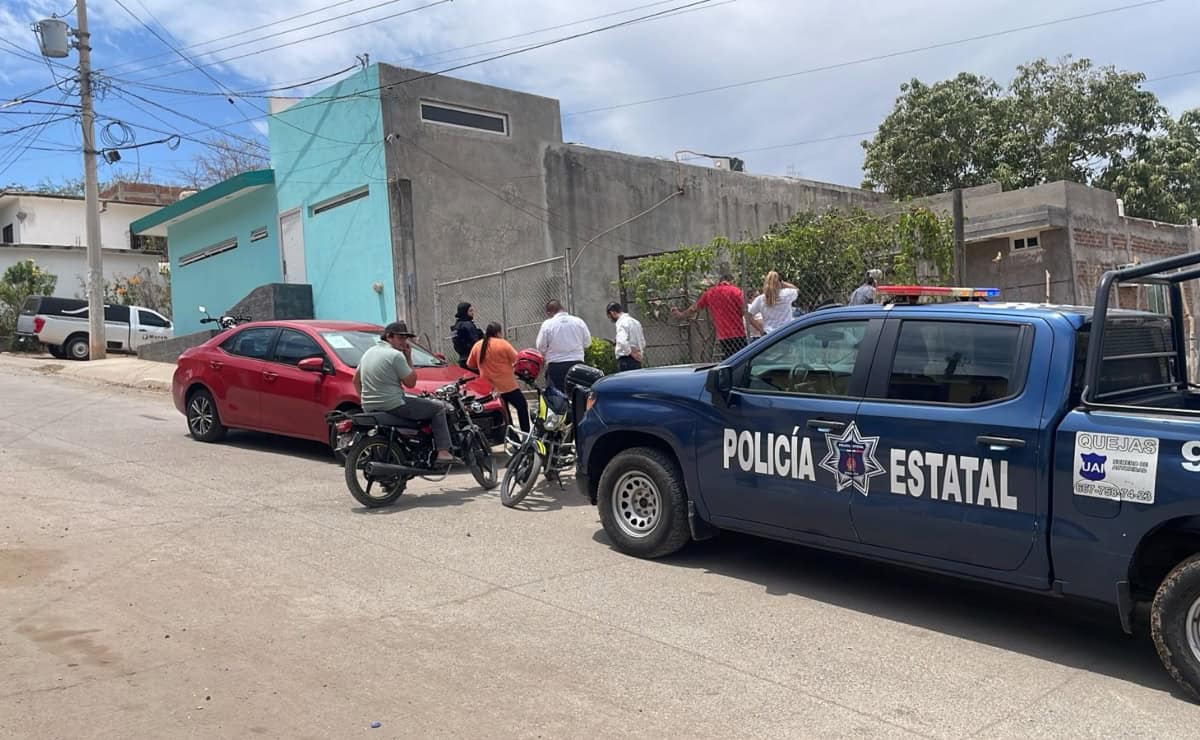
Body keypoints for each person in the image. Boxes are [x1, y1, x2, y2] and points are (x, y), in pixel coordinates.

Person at [354, 321, 457, 465]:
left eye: (406, 338)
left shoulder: (368, 353)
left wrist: (365, 400)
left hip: (369, 407)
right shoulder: (395, 355)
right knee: (438, 408)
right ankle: (443, 452)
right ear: (389, 336)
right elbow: (410, 383)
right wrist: (409, 357)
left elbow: (356, 381)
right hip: (393, 405)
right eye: (401, 338)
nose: (404, 342)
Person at [672, 273, 761, 358]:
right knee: (741, 358)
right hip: (738, 333)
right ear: (731, 281)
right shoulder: (735, 291)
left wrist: (681, 315)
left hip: (723, 335)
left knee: (729, 356)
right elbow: (746, 313)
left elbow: (694, 308)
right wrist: (761, 329)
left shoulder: (710, 293)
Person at [466, 322, 529, 433]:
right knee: (522, 407)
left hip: (490, 389)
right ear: (498, 332)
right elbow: (517, 359)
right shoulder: (503, 344)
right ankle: (525, 433)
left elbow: (470, 364)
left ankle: (510, 436)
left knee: (505, 414)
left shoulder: (478, 345)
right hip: (508, 386)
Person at [535, 299, 591, 392]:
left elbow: (540, 347)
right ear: (562, 308)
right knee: (577, 395)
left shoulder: (548, 324)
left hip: (556, 366)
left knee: (557, 397)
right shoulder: (579, 321)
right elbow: (587, 343)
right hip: (577, 364)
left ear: (549, 312)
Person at [606, 302, 645, 372]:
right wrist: (638, 353)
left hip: (626, 360)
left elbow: (622, 341)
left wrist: (631, 353)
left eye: (610, 317)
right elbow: (642, 341)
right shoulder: (636, 322)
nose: (611, 320)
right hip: (637, 360)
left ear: (612, 313)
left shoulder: (621, 323)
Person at [451, 302, 484, 370]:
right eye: (470, 310)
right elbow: (476, 342)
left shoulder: (456, 326)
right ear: (465, 311)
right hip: (472, 358)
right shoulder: (468, 325)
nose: (472, 313)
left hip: (462, 359)